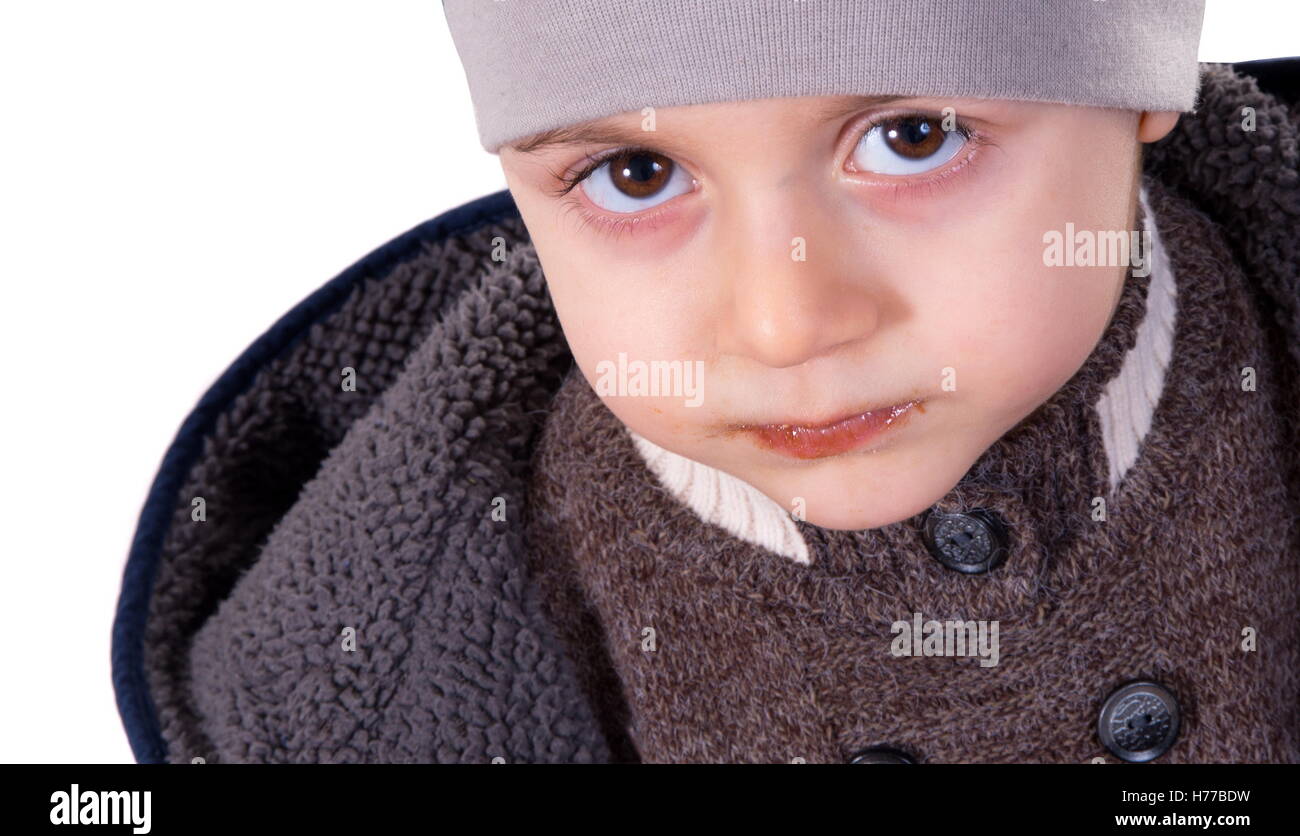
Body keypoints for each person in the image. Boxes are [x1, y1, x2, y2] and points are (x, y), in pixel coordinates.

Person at [114, 0, 1300, 763]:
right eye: (636, 173)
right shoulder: (444, 612)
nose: (782, 323)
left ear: (1142, 82)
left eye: (913, 136)